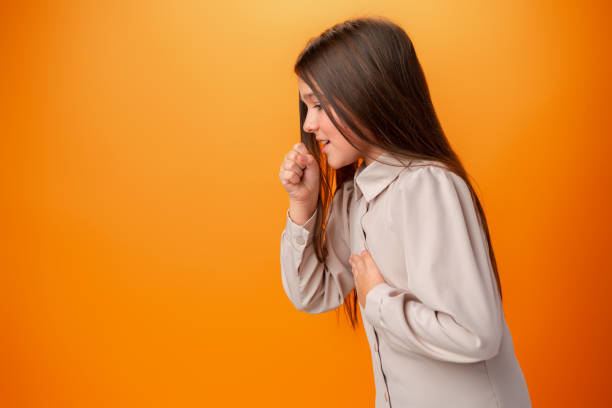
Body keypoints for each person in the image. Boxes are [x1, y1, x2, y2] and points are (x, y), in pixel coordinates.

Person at [278, 16, 531, 408]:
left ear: (367, 93)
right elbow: (314, 294)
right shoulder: (355, 197)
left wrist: (377, 298)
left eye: (319, 104)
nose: (309, 124)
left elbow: (476, 333)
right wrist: (303, 205)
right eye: (305, 106)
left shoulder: (427, 187)